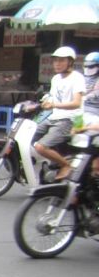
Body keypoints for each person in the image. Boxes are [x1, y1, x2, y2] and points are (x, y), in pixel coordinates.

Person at [33, 46, 85, 180]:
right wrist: (44, 103)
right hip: (53, 117)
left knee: (40, 147)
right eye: (55, 60)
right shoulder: (56, 78)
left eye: (61, 60)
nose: (57, 63)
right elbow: (52, 98)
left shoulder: (77, 78)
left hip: (67, 120)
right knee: (26, 135)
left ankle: (65, 165)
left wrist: (54, 105)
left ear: (70, 62)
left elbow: (76, 103)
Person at [81, 52, 99, 126]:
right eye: (86, 66)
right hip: (78, 109)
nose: (87, 69)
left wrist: (86, 97)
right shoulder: (80, 78)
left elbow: (97, 92)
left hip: (93, 111)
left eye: (91, 67)